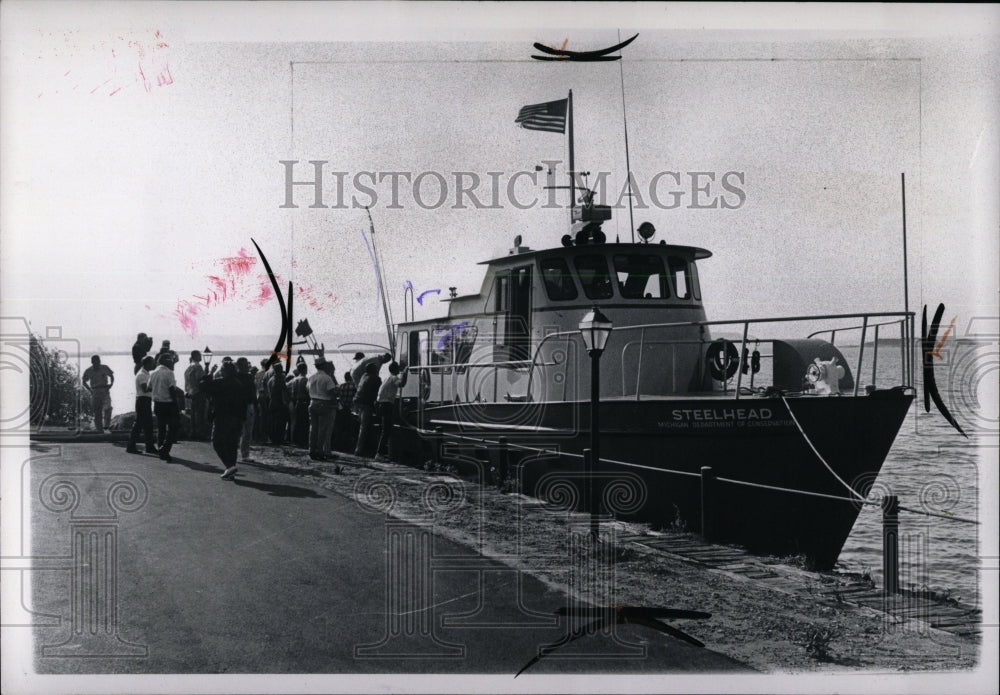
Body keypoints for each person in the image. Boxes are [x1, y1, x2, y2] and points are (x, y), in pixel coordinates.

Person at [199, 360, 253, 480]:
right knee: (232, 444)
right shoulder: (240, 384)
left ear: (225, 372)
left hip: (222, 417)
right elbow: (246, 401)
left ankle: (229, 466)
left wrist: (210, 372)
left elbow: (203, 386)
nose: (221, 372)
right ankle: (231, 469)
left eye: (222, 370)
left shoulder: (220, 383)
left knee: (217, 442)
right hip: (237, 418)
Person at [149, 353, 182, 462]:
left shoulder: (152, 373)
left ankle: (160, 448)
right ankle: (165, 449)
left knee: (161, 428)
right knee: (174, 427)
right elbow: (172, 390)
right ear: (167, 362)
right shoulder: (169, 373)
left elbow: (149, 387)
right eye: (171, 361)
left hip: (157, 404)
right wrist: (176, 404)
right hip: (168, 403)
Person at [374, 361, 408, 461]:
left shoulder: (387, 378)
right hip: (386, 405)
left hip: (381, 404)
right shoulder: (394, 378)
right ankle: (379, 454)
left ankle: (382, 452)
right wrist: (405, 373)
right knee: (386, 430)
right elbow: (401, 384)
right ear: (396, 369)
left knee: (385, 429)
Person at [307, 357, 338, 461]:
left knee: (313, 428)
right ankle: (320, 451)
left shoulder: (311, 377)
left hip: (312, 402)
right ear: (324, 365)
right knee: (322, 429)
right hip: (323, 403)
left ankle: (311, 450)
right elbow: (332, 392)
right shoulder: (327, 378)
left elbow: (307, 389)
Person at [125, 356, 158, 455]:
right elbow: (145, 389)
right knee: (139, 424)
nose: (154, 364)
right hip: (143, 400)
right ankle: (131, 446)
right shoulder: (142, 375)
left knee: (147, 425)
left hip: (144, 400)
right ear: (147, 364)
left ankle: (149, 446)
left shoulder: (145, 373)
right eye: (152, 363)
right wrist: (157, 386)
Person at [353, 361, 382, 457]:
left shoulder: (363, 376)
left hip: (357, 404)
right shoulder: (376, 378)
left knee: (361, 427)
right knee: (364, 428)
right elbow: (379, 393)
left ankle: (360, 448)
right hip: (366, 405)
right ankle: (359, 450)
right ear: (374, 370)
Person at [81, 355, 115, 432]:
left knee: (108, 408)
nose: (97, 364)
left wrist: (111, 384)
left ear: (100, 361)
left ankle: (106, 426)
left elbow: (112, 376)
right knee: (97, 411)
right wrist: (90, 390)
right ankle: (99, 430)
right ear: (92, 362)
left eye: (98, 362)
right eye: (95, 362)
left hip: (105, 390)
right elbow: (83, 381)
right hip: (95, 391)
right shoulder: (89, 370)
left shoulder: (105, 368)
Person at [235, 357, 257, 463]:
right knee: (242, 430)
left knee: (247, 431)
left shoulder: (248, 376)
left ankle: (244, 454)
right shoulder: (245, 377)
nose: (246, 366)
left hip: (248, 405)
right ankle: (241, 454)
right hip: (243, 405)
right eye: (244, 364)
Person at [184, 350, 207, 439]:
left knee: (193, 413)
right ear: (196, 356)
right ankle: (199, 433)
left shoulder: (189, 367)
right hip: (198, 392)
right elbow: (201, 379)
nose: (201, 357)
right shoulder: (198, 366)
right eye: (199, 355)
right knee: (200, 413)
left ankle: (193, 432)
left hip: (191, 392)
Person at [288, 362, 311, 448]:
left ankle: (296, 441)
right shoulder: (306, 380)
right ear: (305, 369)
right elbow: (308, 392)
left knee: (297, 422)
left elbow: (293, 393)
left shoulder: (294, 380)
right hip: (305, 402)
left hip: (297, 402)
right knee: (304, 423)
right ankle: (303, 441)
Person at [334, 371, 357, 452]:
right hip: (348, 410)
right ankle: (346, 447)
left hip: (340, 409)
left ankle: (338, 446)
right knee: (347, 429)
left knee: (339, 428)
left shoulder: (340, 386)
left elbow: (335, 395)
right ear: (351, 377)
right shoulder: (354, 386)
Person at [266, 362, 288, 445]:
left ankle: (274, 438)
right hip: (279, 402)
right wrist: (285, 402)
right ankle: (278, 439)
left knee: (273, 421)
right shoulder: (279, 379)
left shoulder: (270, 379)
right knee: (280, 422)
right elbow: (283, 391)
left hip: (272, 402)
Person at [254, 358, 271, 443]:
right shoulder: (267, 373)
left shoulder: (257, 373)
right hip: (265, 395)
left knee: (260, 416)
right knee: (265, 416)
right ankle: (264, 436)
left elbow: (256, 385)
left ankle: (259, 435)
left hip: (259, 395)